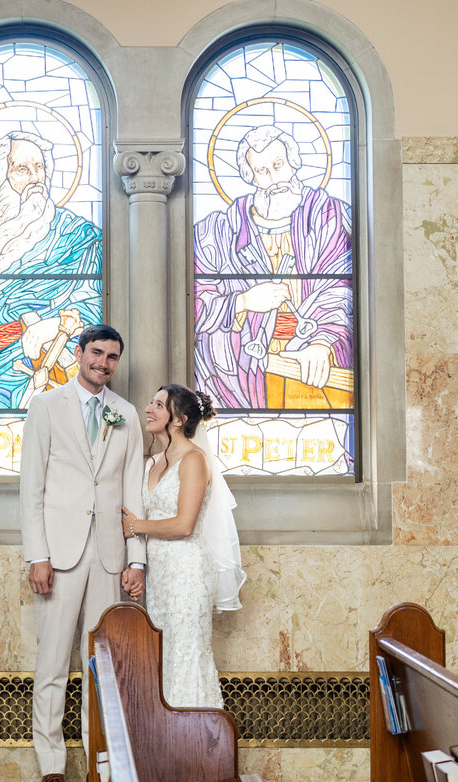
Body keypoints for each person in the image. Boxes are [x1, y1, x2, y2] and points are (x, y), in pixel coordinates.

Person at [20, 324, 147, 782]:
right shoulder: (46, 406)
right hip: (59, 555)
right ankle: (52, 769)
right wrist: (38, 555)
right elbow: (31, 489)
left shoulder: (126, 414)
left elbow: (133, 492)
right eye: (97, 353)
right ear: (79, 353)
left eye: (112, 357)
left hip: (109, 556)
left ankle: (101, 769)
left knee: (101, 668)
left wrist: (137, 560)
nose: (103, 363)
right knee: (53, 663)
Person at [193, 124, 353, 411]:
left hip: (309, 359)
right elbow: (192, 300)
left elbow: (339, 286)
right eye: (262, 171)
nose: (274, 178)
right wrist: (243, 301)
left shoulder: (327, 215)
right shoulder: (218, 230)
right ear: (251, 177)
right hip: (238, 369)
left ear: (293, 163)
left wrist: (322, 342)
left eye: (278, 165)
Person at [0, 131, 103, 414]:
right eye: (22, 169)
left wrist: (54, 324)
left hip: (31, 364)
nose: (36, 178)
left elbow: (96, 300)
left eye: (40, 168)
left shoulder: (75, 236)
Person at [120, 384, 246, 708]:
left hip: (188, 574)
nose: (148, 409)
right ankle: (167, 735)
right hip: (160, 578)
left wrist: (136, 526)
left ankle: (196, 736)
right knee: (165, 657)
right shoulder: (152, 462)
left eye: (159, 405)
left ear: (179, 420)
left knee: (187, 657)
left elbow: (184, 524)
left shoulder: (194, 460)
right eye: (151, 403)